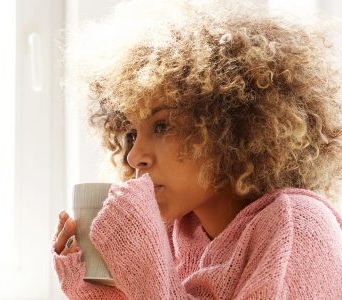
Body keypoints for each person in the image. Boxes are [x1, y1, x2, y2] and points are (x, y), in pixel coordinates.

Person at [51, 0, 342, 298]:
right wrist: (95, 289)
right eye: (131, 133)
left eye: (162, 126)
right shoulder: (175, 233)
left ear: (227, 126)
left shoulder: (297, 226)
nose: (134, 156)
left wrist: (146, 271)